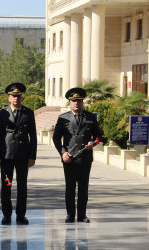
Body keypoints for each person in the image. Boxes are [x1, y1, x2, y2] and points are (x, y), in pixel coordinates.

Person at [52, 87, 101, 223]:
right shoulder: (63, 118)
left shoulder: (90, 117)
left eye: (78, 101)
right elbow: (56, 138)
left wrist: (93, 143)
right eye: (73, 101)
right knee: (70, 188)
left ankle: (82, 215)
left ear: (82, 102)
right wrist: (62, 153)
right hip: (69, 158)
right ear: (69, 102)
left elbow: (99, 136)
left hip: (85, 158)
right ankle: (70, 214)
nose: (76, 103)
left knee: (83, 188)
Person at [0, 82, 37, 225]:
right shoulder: (2, 114)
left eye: (18, 96)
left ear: (22, 98)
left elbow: (33, 136)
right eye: (13, 96)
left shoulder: (28, 113)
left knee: (22, 187)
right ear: (9, 98)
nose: (16, 99)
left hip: (22, 156)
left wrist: (32, 156)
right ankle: (6, 215)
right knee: (6, 186)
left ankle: (21, 215)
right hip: (6, 156)